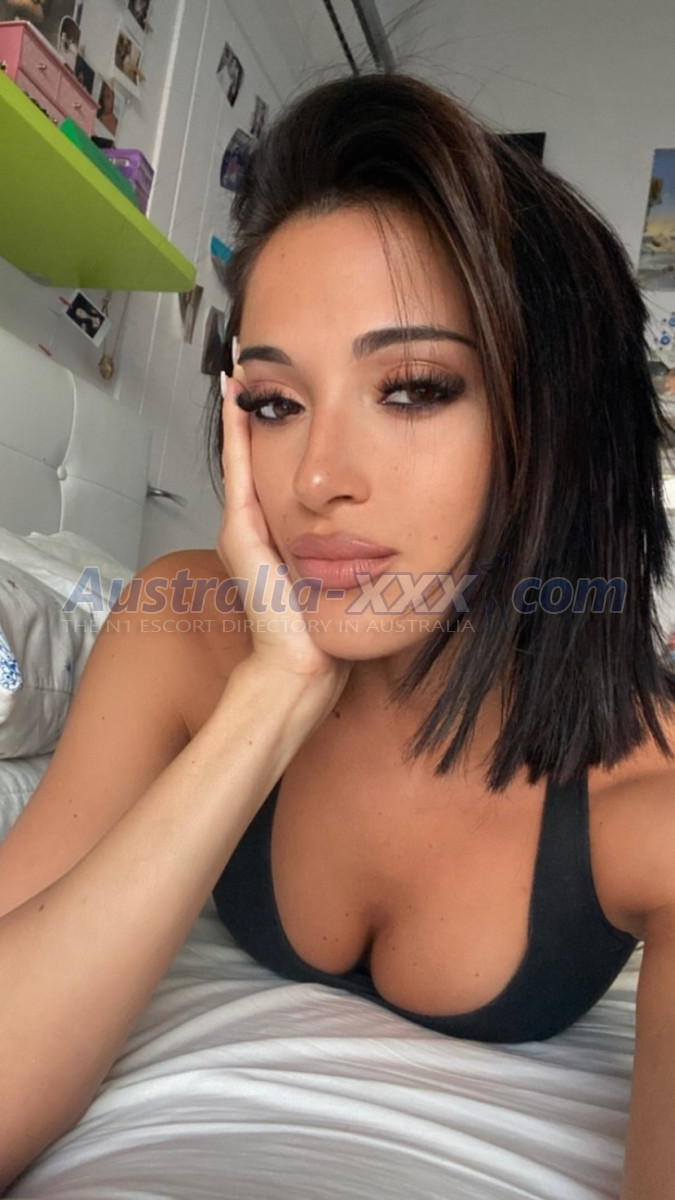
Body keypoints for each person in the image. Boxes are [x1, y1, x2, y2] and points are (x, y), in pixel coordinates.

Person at [0, 72, 674, 1198]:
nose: (316, 478)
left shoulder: (648, 792)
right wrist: (271, 695)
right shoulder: (184, 630)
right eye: (273, 402)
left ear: (552, 422)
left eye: (411, 389)